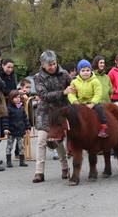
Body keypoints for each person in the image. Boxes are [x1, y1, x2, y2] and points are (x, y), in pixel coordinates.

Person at [33, 50, 71, 183]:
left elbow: (73, 87)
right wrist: (63, 92)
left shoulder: (65, 74)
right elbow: (43, 96)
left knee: (58, 140)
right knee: (41, 141)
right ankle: (39, 172)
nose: (53, 67)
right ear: (43, 65)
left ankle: (65, 168)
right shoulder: (38, 77)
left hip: (60, 112)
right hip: (45, 113)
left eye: (54, 63)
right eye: (49, 65)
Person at [68, 60, 108, 138]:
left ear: (91, 70)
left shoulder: (95, 81)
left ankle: (104, 126)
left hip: (92, 102)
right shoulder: (74, 82)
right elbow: (71, 94)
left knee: (100, 109)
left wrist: (92, 103)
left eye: (87, 70)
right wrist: (75, 101)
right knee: (70, 111)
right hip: (79, 103)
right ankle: (70, 129)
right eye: (83, 71)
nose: (85, 72)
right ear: (79, 72)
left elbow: (98, 93)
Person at [2, 90, 31, 168]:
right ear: (11, 99)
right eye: (15, 98)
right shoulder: (8, 108)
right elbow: (5, 119)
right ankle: (8, 161)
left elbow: (25, 118)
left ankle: (22, 161)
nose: (18, 99)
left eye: (19, 97)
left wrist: (28, 127)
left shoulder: (21, 108)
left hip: (20, 130)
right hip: (11, 131)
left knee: (21, 146)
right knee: (9, 146)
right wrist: (5, 128)